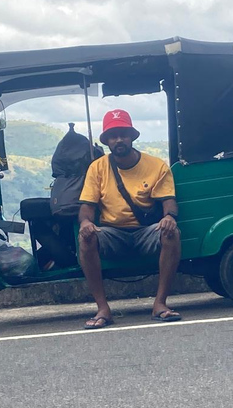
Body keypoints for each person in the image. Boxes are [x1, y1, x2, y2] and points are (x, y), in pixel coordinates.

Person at [77, 109, 182, 329]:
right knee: (86, 238)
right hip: (112, 232)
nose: (119, 140)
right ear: (106, 141)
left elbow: (169, 202)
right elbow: (87, 208)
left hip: (146, 232)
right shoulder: (97, 168)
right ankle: (103, 308)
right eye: (113, 136)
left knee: (172, 233)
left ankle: (160, 304)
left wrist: (170, 217)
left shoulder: (156, 165)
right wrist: (86, 223)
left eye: (123, 134)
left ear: (132, 136)